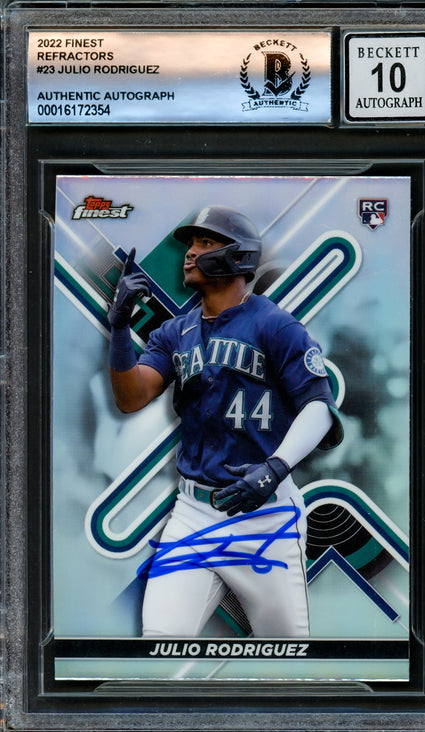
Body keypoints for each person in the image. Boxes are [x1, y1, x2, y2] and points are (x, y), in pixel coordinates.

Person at [108, 205, 342, 638]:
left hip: (266, 517)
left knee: (286, 653)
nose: (190, 252)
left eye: (205, 242)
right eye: (191, 244)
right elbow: (131, 396)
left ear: (239, 255)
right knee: (161, 641)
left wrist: (275, 468)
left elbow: (319, 408)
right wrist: (120, 330)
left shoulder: (276, 325)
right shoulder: (175, 332)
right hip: (193, 513)